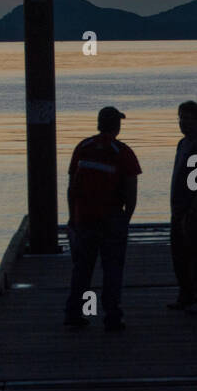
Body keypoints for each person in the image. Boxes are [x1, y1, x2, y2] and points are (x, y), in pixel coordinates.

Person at [64, 106, 141, 331]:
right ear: (117, 126)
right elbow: (131, 191)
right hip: (112, 218)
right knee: (112, 268)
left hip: (84, 218)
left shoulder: (82, 147)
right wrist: (126, 218)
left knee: (82, 269)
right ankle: (112, 315)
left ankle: (74, 312)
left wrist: (72, 218)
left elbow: (71, 188)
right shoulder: (122, 151)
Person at [168, 100, 197, 313]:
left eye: (188, 118)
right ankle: (186, 295)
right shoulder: (183, 143)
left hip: (194, 210)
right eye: (181, 118)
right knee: (179, 255)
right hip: (178, 209)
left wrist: (193, 210)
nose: (183, 122)